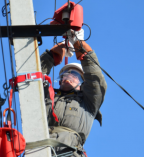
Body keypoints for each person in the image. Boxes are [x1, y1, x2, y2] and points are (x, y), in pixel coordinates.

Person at [40, 29, 107, 157]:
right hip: (41, 149)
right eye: (66, 73)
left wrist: (79, 45)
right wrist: (55, 54)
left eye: (75, 74)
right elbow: (33, 77)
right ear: (59, 81)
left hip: (69, 152)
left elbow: (96, 80)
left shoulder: (88, 102)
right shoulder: (47, 96)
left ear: (82, 83)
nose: (69, 75)